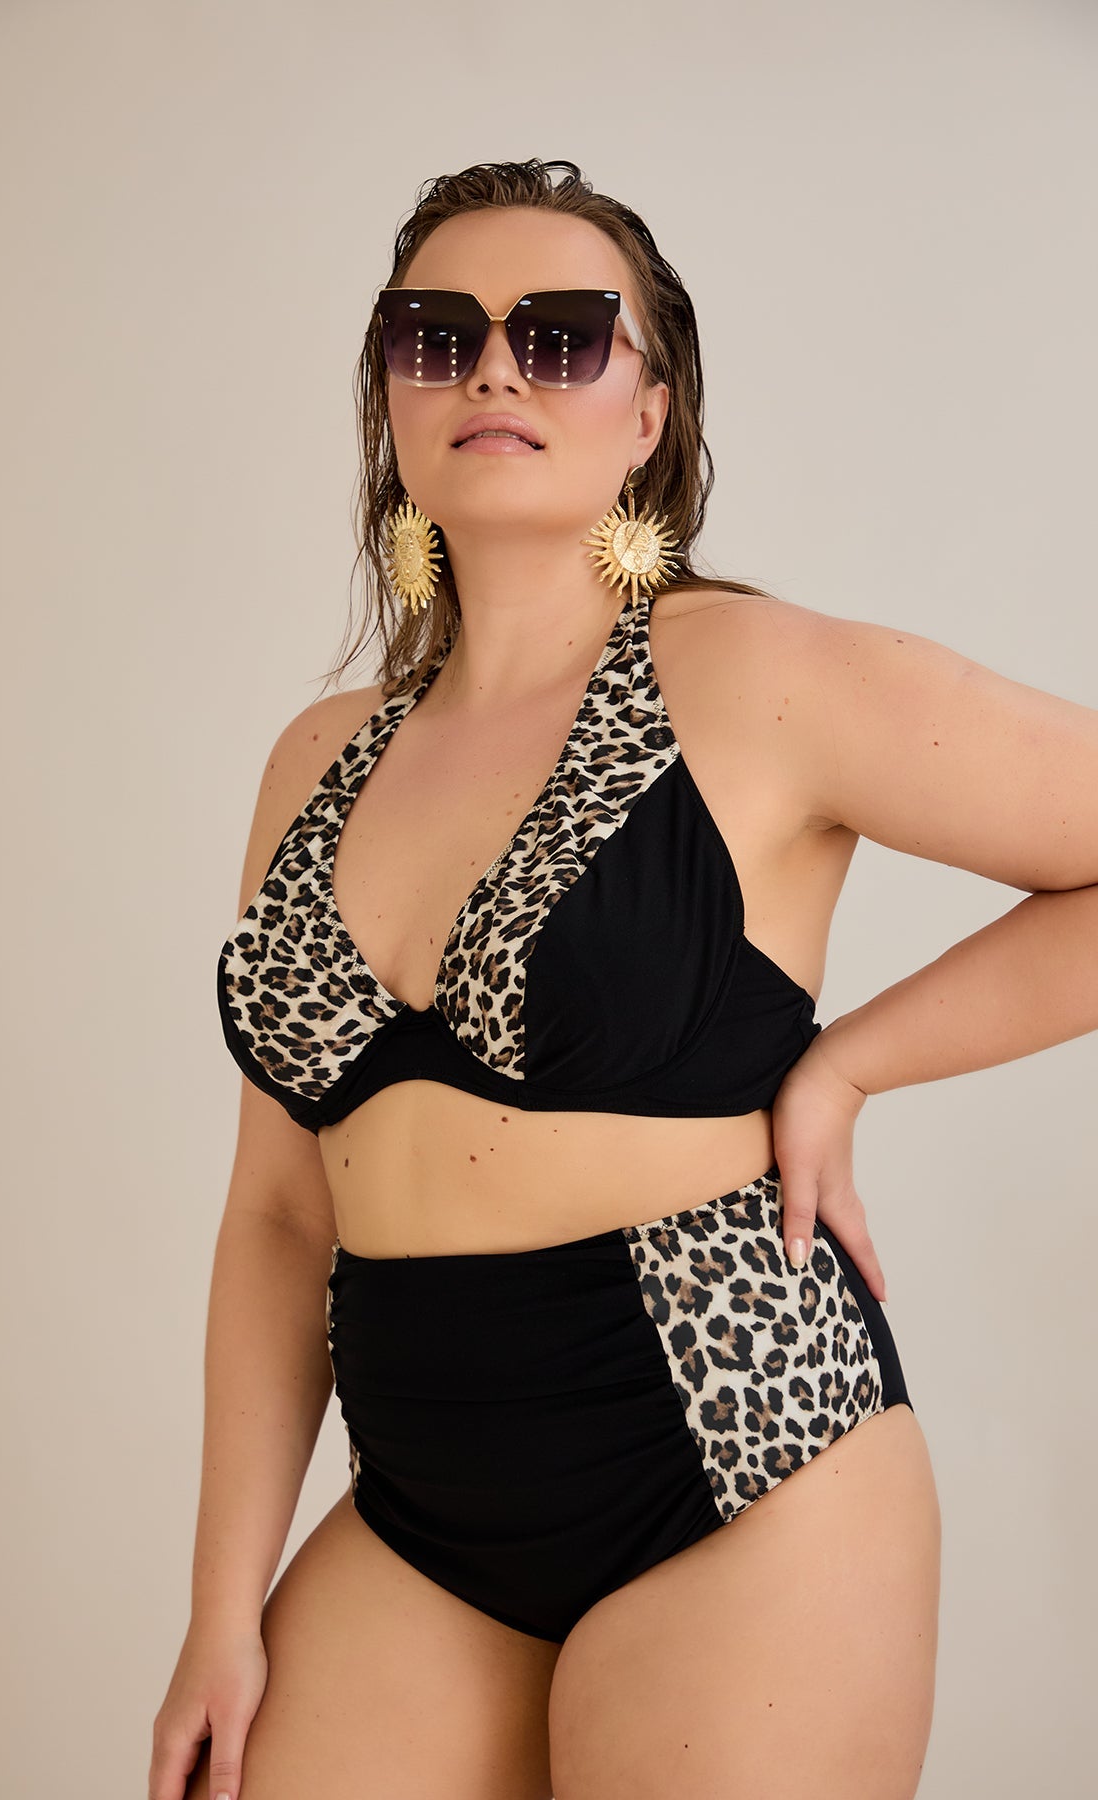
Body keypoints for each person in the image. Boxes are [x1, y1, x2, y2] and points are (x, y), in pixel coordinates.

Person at [149, 158, 1098, 1800]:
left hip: (741, 1462)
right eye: (436, 335)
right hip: (423, 1500)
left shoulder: (756, 675)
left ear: (649, 414)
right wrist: (220, 1613)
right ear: (390, 395)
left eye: (562, 335)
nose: (494, 370)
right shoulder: (314, 758)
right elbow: (281, 1217)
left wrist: (850, 1062)